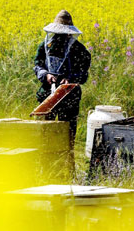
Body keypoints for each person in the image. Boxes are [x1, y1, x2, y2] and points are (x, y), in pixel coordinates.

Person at [34, 10, 91, 171]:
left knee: (67, 134)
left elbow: (83, 73)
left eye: (64, 34)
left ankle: (67, 170)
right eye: (58, 33)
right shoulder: (46, 46)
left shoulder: (79, 50)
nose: (60, 37)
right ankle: (45, 168)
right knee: (45, 132)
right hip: (47, 95)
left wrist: (71, 79)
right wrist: (46, 76)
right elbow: (37, 65)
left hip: (69, 96)